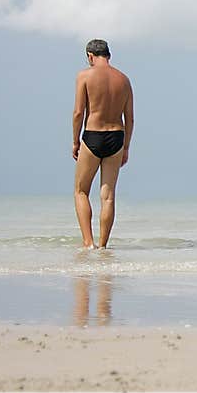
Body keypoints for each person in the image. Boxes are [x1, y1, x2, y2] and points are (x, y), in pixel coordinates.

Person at [72, 39, 134, 249]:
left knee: (81, 191)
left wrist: (75, 141)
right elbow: (130, 118)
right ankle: (103, 246)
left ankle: (88, 244)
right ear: (108, 55)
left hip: (93, 136)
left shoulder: (84, 76)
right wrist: (125, 147)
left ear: (90, 55)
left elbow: (79, 112)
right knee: (107, 197)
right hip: (116, 136)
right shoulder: (124, 80)